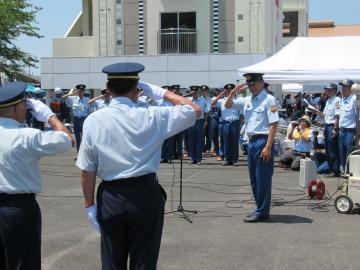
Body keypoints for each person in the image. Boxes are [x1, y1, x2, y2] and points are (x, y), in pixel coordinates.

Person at [76, 62, 201, 270]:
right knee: (144, 260)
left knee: (112, 261)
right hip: (145, 194)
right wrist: (161, 92)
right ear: (137, 89)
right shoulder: (154, 115)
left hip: (111, 196)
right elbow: (194, 109)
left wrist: (89, 205)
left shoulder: (93, 120)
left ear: (108, 88)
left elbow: (87, 170)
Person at [0, 81, 73, 270]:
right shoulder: (27, 135)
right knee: (24, 263)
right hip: (18, 209)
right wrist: (49, 116)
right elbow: (68, 140)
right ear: (17, 107)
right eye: (25, 105)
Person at [225, 73, 279, 223]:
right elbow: (227, 105)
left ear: (262, 83)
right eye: (249, 85)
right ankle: (259, 209)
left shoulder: (269, 100)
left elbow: (273, 124)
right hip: (251, 141)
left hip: (263, 141)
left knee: (263, 178)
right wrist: (232, 93)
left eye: (254, 84)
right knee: (254, 179)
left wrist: (268, 146)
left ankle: (262, 211)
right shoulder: (247, 100)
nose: (252, 87)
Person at [215, 84, 242, 166]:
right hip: (225, 123)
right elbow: (212, 103)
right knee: (225, 141)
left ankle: (234, 159)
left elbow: (241, 114)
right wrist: (220, 95)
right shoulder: (221, 101)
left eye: (231, 91)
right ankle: (227, 159)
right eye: (227, 91)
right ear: (225, 91)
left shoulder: (237, 100)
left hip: (235, 122)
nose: (229, 92)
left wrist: (240, 124)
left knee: (234, 142)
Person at [62, 84, 91, 153]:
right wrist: (73, 93)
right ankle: (79, 153)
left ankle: (85, 153)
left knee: (85, 137)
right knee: (77, 137)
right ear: (77, 92)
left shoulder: (87, 100)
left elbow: (89, 111)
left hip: (84, 120)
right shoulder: (72, 99)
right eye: (79, 91)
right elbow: (63, 97)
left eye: (82, 91)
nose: (81, 93)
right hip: (76, 120)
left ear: (84, 92)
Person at [336, 79, 357, 175]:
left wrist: (358, 134)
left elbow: (358, 118)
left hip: (351, 131)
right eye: (342, 86)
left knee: (350, 152)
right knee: (342, 152)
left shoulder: (354, 99)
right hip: (342, 131)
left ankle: (350, 172)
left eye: (345, 87)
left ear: (351, 88)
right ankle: (344, 171)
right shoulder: (342, 99)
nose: (343, 89)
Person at [321, 83, 341, 177]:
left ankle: (335, 170)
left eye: (329, 90)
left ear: (334, 90)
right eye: (327, 90)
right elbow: (325, 114)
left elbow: (337, 115)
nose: (327, 91)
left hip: (332, 125)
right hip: (327, 125)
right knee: (328, 150)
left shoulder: (337, 100)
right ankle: (330, 168)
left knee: (333, 150)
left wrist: (335, 128)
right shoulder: (328, 100)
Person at [186, 86, 209, 165]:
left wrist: (205, 121)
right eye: (192, 92)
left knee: (199, 141)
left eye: (195, 92)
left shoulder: (202, 101)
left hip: (199, 121)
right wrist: (188, 94)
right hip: (190, 122)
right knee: (191, 141)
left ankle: (199, 159)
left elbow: (205, 112)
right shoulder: (188, 100)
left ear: (198, 92)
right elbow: (179, 99)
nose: (194, 94)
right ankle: (192, 158)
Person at [200, 85, 212, 152]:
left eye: (205, 91)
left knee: (209, 133)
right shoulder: (199, 99)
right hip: (202, 118)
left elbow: (209, 109)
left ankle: (208, 147)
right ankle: (202, 147)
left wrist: (206, 120)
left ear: (207, 92)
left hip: (208, 117)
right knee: (202, 133)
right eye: (203, 91)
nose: (204, 92)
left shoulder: (209, 99)